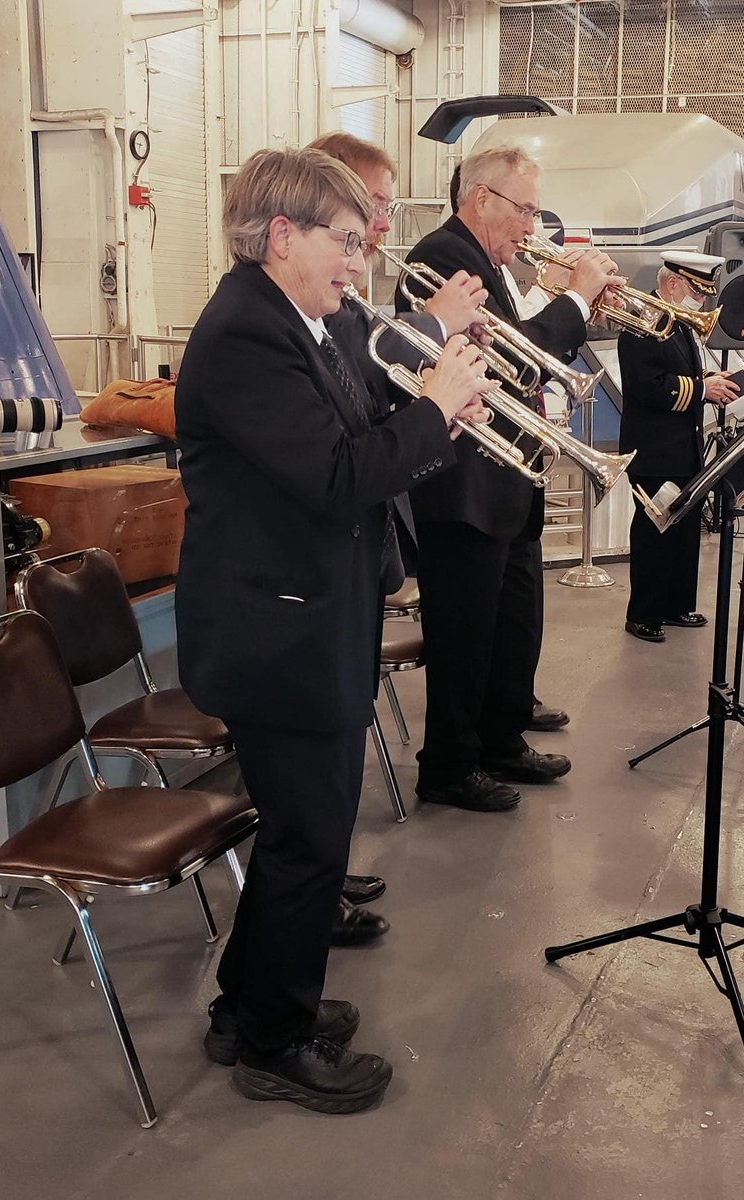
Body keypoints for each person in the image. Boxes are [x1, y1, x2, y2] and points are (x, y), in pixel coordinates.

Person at [174, 147, 490, 1112]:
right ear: (282, 236)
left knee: (300, 837)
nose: (360, 263)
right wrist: (433, 412)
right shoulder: (246, 336)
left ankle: (246, 1006)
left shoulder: (299, 322)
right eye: (346, 242)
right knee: (311, 840)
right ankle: (275, 1042)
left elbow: (353, 441)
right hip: (278, 636)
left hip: (309, 619)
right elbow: (337, 479)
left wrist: (436, 417)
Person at [395, 145, 625, 813]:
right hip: (462, 487)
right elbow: (513, 365)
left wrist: (575, 306)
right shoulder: (443, 257)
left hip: (506, 480)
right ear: (481, 200)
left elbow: (527, 346)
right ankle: (448, 766)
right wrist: (575, 300)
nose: (531, 227)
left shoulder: (489, 263)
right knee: (464, 636)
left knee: (512, 624)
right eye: (524, 210)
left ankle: (499, 738)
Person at [306, 132, 490, 944]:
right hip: (301, 591)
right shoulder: (266, 325)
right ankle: (307, 896)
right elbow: (341, 458)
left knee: (328, 776)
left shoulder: (323, 309)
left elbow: (367, 407)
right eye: (363, 219)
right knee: (309, 784)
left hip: (344, 573)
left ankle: (321, 876)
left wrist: (440, 411)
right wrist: (431, 358)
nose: (375, 235)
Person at [618, 251, 740, 643]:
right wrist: (704, 389)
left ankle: (675, 605)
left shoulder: (679, 323)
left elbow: (680, 369)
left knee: (683, 529)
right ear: (672, 283)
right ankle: (643, 614)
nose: (701, 302)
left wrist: (707, 377)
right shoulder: (643, 322)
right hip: (653, 448)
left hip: (681, 445)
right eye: (696, 291)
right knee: (654, 532)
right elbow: (647, 385)